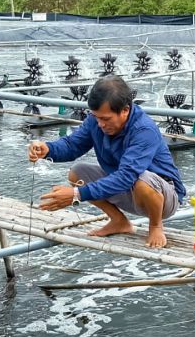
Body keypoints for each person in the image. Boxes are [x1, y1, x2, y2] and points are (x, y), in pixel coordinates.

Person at [28, 75, 186, 248]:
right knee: (77, 172)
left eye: (106, 119)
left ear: (125, 110)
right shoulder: (96, 121)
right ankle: (119, 221)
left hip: (163, 197)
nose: (100, 124)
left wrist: (76, 194)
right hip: (127, 187)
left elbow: (127, 176)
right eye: (97, 117)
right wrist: (48, 149)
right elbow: (73, 145)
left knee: (141, 180)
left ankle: (155, 226)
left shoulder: (143, 130)